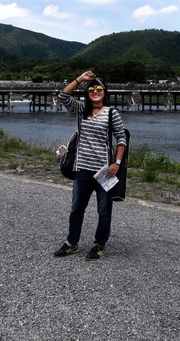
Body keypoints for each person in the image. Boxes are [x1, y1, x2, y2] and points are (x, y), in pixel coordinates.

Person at [53, 71, 127, 261]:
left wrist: (117, 163)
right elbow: (64, 95)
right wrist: (80, 79)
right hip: (82, 169)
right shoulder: (80, 110)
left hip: (105, 171)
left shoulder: (112, 113)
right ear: (87, 93)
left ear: (105, 92)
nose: (95, 91)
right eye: (92, 89)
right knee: (77, 207)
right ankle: (71, 243)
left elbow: (121, 138)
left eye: (99, 88)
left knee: (104, 210)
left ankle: (99, 244)